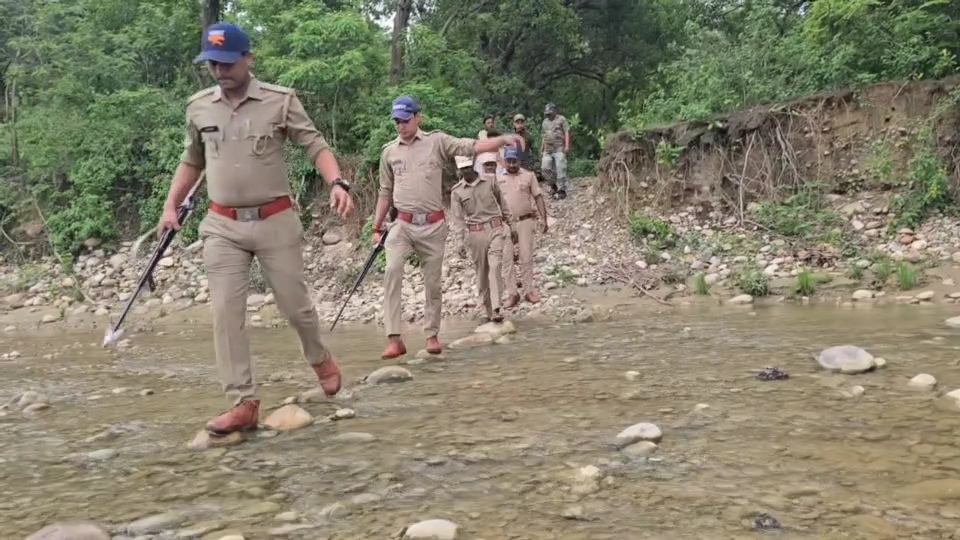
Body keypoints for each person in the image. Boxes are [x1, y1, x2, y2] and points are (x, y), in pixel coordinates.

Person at [158, 23, 355, 436]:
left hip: (276, 221)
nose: (220, 71)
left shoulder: (280, 102)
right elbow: (191, 160)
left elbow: (315, 145)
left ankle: (319, 358)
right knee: (226, 314)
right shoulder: (199, 107)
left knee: (295, 306)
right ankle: (243, 402)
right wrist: (170, 205)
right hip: (221, 225)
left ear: (249, 58)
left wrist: (336, 182)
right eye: (213, 63)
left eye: (228, 62)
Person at [372, 97, 522, 360]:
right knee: (392, 271)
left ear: (418, 117)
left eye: (405, 120)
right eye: (396, 121)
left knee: (433, 282)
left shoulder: (436, 141)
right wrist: (376, 227)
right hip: (402, 225)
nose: (400, 125)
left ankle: (431, 336)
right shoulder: (389, 152)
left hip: (433, 226)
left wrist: (498, 141)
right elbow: (385, 192)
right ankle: (394, 338)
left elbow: (469, 145)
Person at [449, 154, 508, 323]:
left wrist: (510, 223)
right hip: (475, 234)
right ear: (458, 170)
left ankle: (497, 307)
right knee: (481, 272)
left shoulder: (490, 181)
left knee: (495, 265)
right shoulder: (457, 192)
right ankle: (485, 310)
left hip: (495, 228)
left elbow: (502, 203)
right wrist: (459, 241)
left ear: (473, 166)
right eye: (462, 169)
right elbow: (458, 219)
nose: (466, 171)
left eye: (468, 167)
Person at [498, 146, 548, 307]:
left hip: (525, 221)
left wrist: (544, 219)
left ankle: (528, 291)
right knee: (507, 259)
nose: (512, 164)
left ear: (519, 160)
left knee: (526, 257)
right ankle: (512, 293)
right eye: (509, 161)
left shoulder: (529, 176)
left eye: (515, 161)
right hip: (505, 223)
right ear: (504, 161)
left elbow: (538, 197)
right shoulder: (497, 179)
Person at [540, 103, 571, 200]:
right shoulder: (544, 122)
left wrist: (567, 146)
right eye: (547, 114)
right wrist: (542, 148)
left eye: (550, 113)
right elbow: (544, 136)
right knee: (545, 168)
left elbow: (566, 132)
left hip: (558, 148)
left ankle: (562, 189)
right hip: (548, 149)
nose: (548, 115)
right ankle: (553, 185)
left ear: (554, 111)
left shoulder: (561, 119)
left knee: (560, 167)